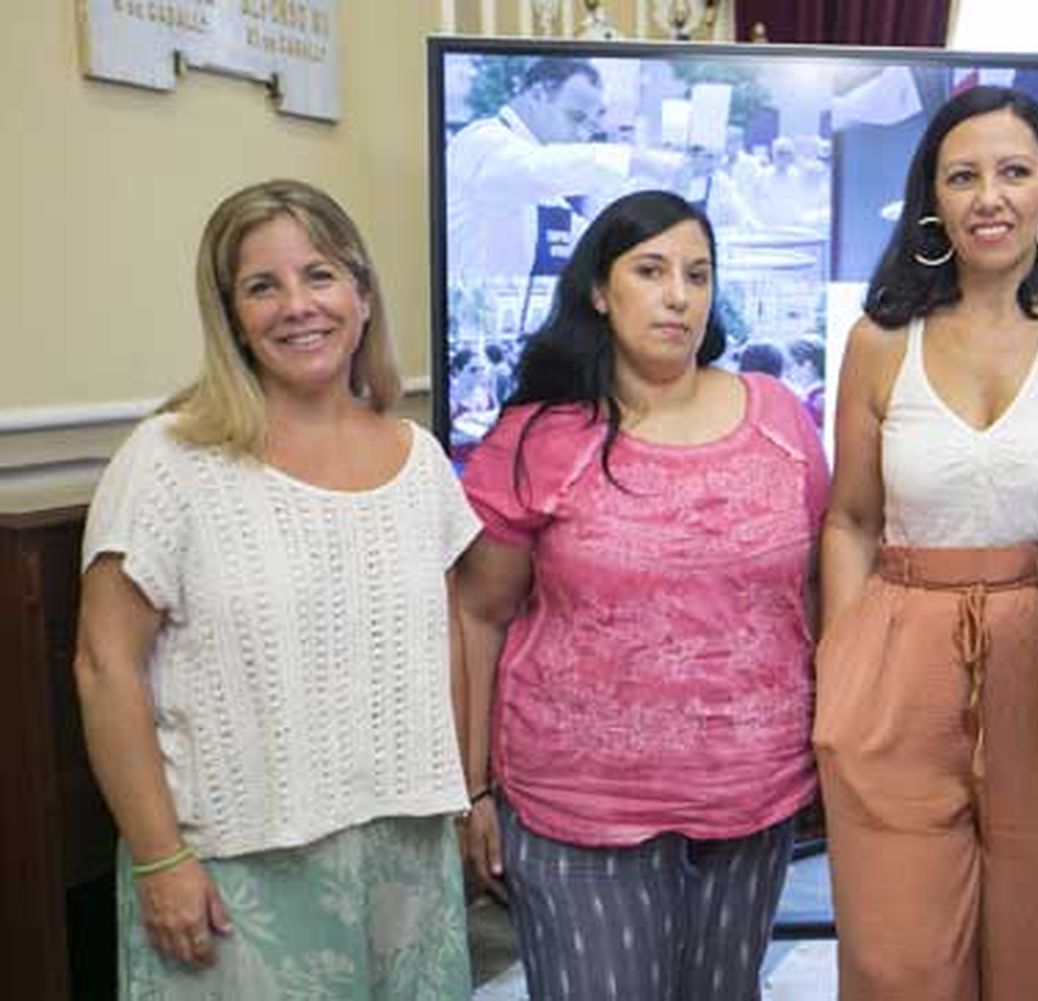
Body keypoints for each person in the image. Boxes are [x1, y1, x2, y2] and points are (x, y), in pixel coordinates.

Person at [73, 179, 479, 999]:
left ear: (362, 294)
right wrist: (159, 857)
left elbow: (447, 641)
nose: (299, 305)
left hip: (407, 863)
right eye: (264, 285)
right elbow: (102, 664)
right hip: (232, 877)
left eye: (321, 275)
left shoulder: (420, 459)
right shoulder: (169, 459)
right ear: (231, 317)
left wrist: (467, 796)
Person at [816, 85, 1038, 1000]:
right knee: (898, 957)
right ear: (933, 198)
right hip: (899, 652)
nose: (988, 196)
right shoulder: (880, 342)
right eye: (962, 176)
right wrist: (842, 665)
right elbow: (850, 517)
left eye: (1012, 172)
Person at [455, 190, 828, 1001]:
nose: (677, 295)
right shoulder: (539, 436)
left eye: (697, 274)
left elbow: (813, 594)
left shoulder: (780, 419)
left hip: (752, 797)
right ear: (598, 289)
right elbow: (478, 615)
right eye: (650, 271)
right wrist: (472, 787)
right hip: (575, 803)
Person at [447, 57, 670, 283]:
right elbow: (532, 171)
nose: (581, 136)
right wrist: (631, 159)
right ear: (539, 94)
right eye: (575, 118)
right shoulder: (482, 140)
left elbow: (590, 242)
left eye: (589, 127)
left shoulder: (547, 185)